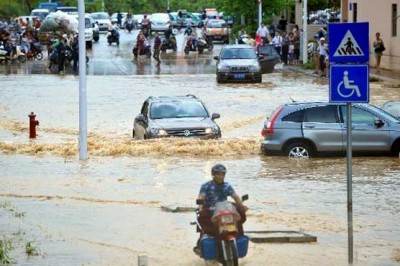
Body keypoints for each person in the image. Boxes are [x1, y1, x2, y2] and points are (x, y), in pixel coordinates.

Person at [196, 164, 248, 237]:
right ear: (213, 174)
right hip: (210, 208)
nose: (220, 176)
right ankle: (207, 235)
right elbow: (201, 197)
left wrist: (241, 206)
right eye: (218, 174)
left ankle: (238, 235)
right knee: (202, 217)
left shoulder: (227, 186)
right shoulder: (206, 185)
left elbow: (235, 196)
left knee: (240, 214)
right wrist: (200, 207)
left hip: (223, 208)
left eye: (222, 174)